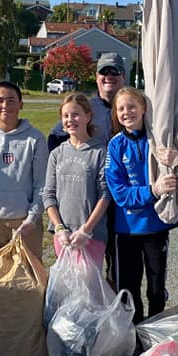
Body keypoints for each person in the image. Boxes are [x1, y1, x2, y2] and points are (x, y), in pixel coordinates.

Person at [48, 52, 128, 283]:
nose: (109, 76)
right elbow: (56, 139)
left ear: (123, 75)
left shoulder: (131, 104)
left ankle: (116, 310)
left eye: (115, 72)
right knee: (81, 274)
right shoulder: (86, 107)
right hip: (91, 197)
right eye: (104, 72)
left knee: (120, 266)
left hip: (122, 198)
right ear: (96, 77)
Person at [104, 87, 177, 324]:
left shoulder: (158, 140)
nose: (127, 112)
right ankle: (133, 338)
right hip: (126, 230)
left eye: (132, 106)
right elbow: (119, 194)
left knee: (156, 288)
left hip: (156, 226)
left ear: (144, 108)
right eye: (121, 108)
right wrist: (152, 191)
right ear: (116, 113)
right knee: (129, 287)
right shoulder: (115, 145)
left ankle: (156, 332)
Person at [0, 80, 48, 260]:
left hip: (27, 224)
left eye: (11, 100)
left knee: (28, 282)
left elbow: (42, 184)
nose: (5, 105)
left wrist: (31, 219)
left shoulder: (35, 138)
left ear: (21, 104)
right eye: (0, 100)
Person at [42, 93, 111, 263]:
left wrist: (86, 230)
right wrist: (59, 228)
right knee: (66, 287)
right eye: (65, 116)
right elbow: (48, 194)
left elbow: (105, 194)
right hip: (63, 236)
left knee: (87, 287)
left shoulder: (100, 152)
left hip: (91, 235)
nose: (70, 120)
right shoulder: (57, 154)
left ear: (87, 116)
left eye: (75, 114)